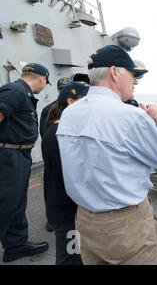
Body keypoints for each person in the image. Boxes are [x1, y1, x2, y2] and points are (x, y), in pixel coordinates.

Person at [56, 45, 157, 265]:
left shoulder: (69, 114)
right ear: (115, 72)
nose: (136, 81)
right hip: (125, 227)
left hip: (85, 221)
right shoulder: (130, 116)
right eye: (132, 74)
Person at [0, 63, 51, 263]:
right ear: (42, 79)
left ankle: (15, 245)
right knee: (5, 203)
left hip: (19, 157)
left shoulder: (23, 93)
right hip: (8, 158)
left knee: (17, 203)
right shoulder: (15, 91)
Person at [41, 82, 89, 265]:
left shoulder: (60, 130)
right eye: (86, 101)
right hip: (67, 213)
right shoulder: (58, 134)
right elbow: (70, 175)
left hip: (67, 209)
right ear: (71, 102)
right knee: (70, 258)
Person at [39, 76, 72, 233]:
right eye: (61, 89)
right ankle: (52, 219)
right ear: (58, 90)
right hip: (55, 153)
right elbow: (44, 132)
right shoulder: (49, 109)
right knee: (52, 188)